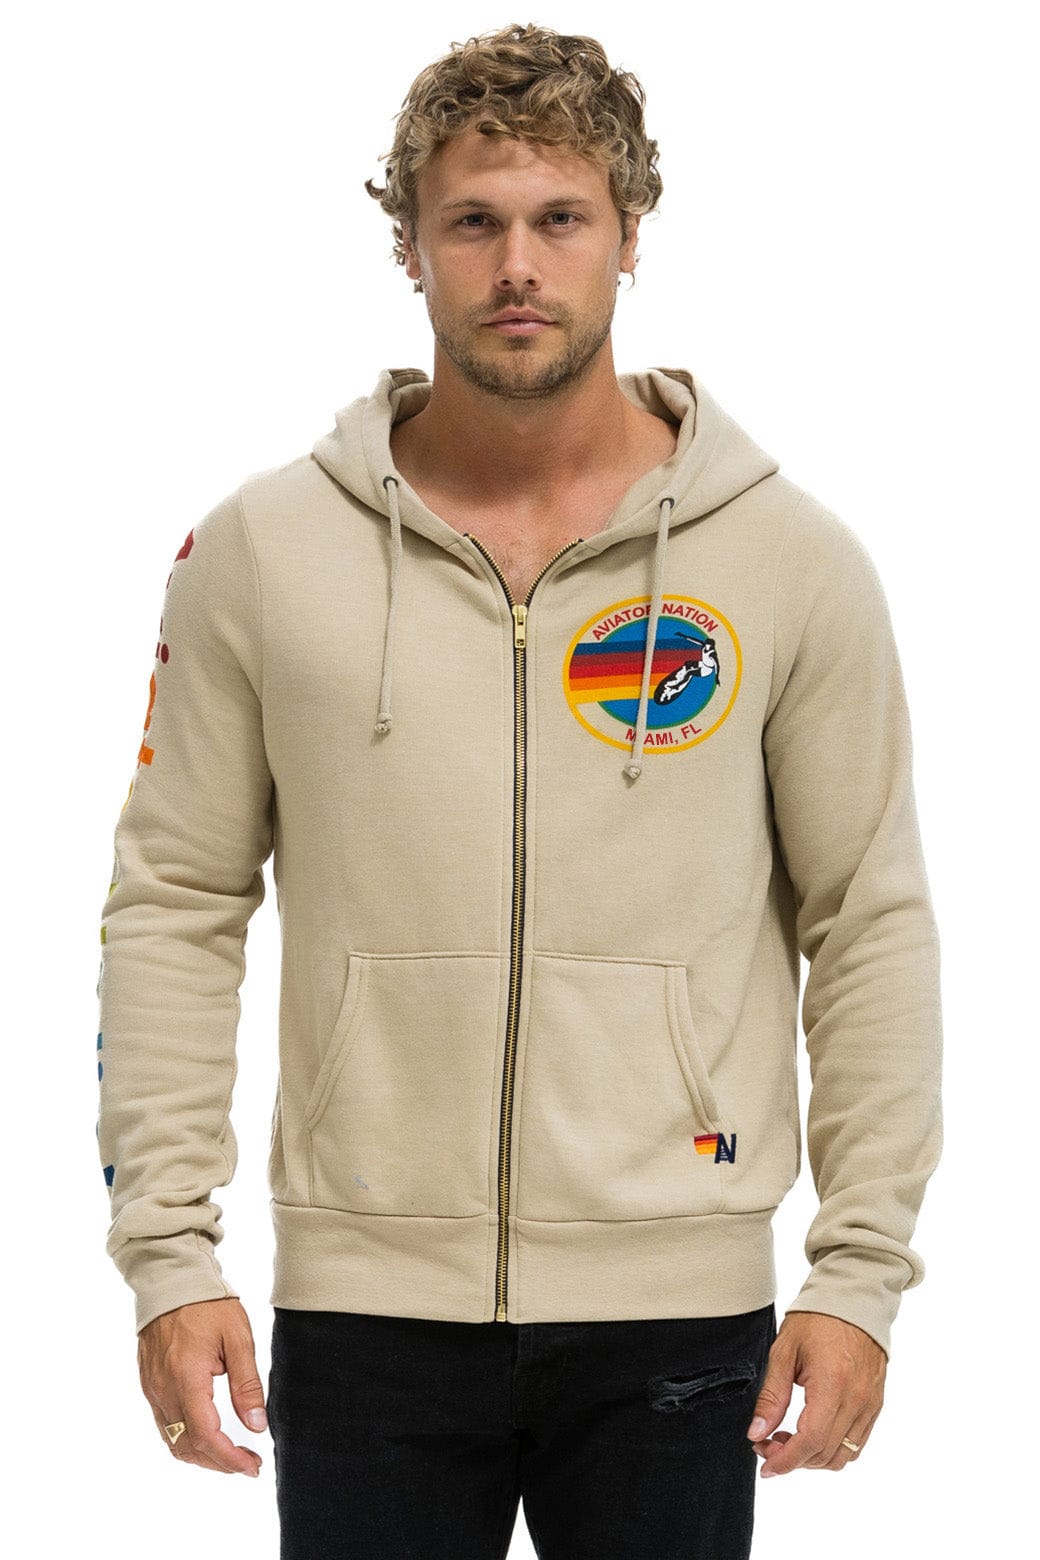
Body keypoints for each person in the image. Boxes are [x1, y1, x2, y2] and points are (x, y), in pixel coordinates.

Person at [95, 21, 943, 1559]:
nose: (519, 266)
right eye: (474, 221)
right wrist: (168, 1253)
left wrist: (858, 1273)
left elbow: (867, 919)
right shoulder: (265, 553)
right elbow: (174, 903)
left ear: (629, 235)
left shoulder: (789, 563)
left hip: (681, 1308)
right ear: (411, 246)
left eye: (562, 218)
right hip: (364, 1310)